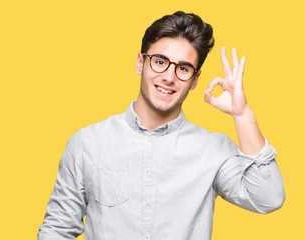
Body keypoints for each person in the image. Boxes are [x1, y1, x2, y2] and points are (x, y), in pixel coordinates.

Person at [37, 11, 285, 240]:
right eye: (160, 61)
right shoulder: (87, 143)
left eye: (183, 68)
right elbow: (57, 229)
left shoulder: (213, 149)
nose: (169, 76)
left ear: (195, 79)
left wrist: (242, 114)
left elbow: (268, 198)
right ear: (140, 63)